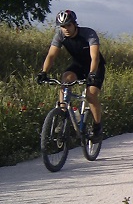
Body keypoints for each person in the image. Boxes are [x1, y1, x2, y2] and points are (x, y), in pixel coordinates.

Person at [37, 10, 105, 143]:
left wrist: (91, 74)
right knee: (65, 80)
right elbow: (51, 56)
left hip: (95, 66)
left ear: (74, 24)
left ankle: (97, 127)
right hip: (78, 65)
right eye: (63, 26)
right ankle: (63, 116)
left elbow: (95, 57)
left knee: (91, 95)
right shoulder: (60, 36)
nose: (66, 29)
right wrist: (43, 72)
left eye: (68, 25)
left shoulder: (88, 33)